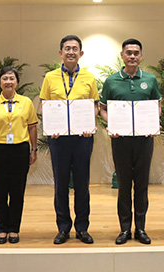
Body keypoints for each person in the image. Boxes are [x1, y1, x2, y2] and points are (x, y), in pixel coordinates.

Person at [99, 39, 161, 245]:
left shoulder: (150, 80)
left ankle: (140, 228)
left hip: (144, 140)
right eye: (129, 53)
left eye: (136, 53)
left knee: (142, 185)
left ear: (141, 56)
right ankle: (124, 229)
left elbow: (157, 106)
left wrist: (153, 124)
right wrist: (111, 124)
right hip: (121, 140)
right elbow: (103, 109)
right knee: (124, 185)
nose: (132, 56)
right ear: (122, 56)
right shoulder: (111, 81)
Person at [39, 35, 99, 244]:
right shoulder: (50, 77)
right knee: (61, 183)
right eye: (67, 48)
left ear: (81, 53)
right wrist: (51, 126)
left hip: (82, 138)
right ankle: (63, 228)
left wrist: (90, 124)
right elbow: (43, 105)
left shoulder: (89, 77)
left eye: (75, 49)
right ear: (60, 53)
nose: (71, 52)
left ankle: (82, 228)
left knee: (82, 184)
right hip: (59, 139)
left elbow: (94, 105)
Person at [0, 66, 38, 244]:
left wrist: (34, 149)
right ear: (0, 82)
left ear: (17, 82)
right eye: (5, 78)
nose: (8, 82)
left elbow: (32, 127)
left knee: (17, 191)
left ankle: (14, 229)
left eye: (11, 78)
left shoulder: (26, 103)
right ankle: (1, 229)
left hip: (20, 150)